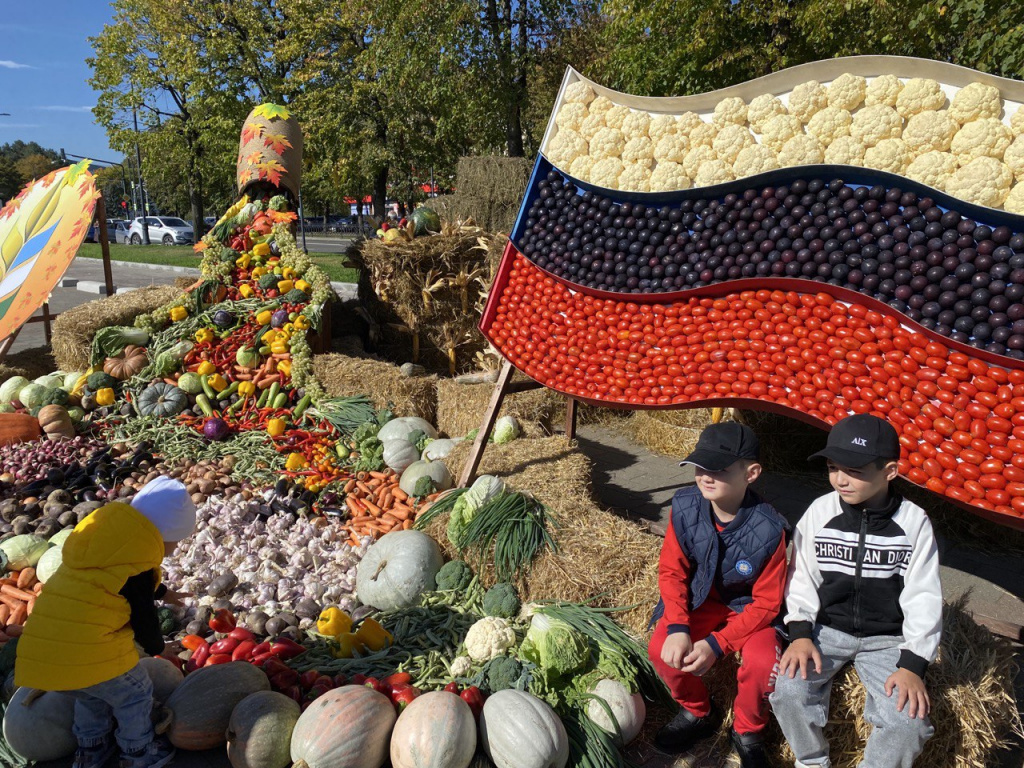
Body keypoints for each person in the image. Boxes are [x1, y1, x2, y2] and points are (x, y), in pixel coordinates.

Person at [770, 413, 942, 768]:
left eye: (855, 471)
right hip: (826, 631)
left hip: (888, 640)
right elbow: (801, 576)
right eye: (833, 468)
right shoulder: (820, 511)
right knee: (787, 691)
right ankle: (811, 761)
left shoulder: (913, 523)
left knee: (909, 723)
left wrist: (912, 663)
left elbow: (924, 595)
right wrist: (800, 633)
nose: (840, 480)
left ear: (890, 471)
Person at [15, 476, 195, 768]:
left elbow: (118, 582)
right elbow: (143, 618)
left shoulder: (102, 547)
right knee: (135, 693)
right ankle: (138, 752)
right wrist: (158, 648)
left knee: (90, 695)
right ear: (163, 534)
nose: (175, 547)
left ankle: (91, 749)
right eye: (177, 540)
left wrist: (164, 592)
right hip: (87, 653)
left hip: (44, 659)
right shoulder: (136, 569)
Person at [648, 421, 788, 768]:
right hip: (701, 602)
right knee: (660, 649)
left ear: (751, 473)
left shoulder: (771, 530)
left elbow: (769, 602)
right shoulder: (684, 507)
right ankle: (699, 712)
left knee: (762, 663)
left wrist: (715, 645)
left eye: (719, 469)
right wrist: (678, 626)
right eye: (700, 466)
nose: (706, 476)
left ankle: (747, 730)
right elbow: (672, 571)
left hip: (750, 611)